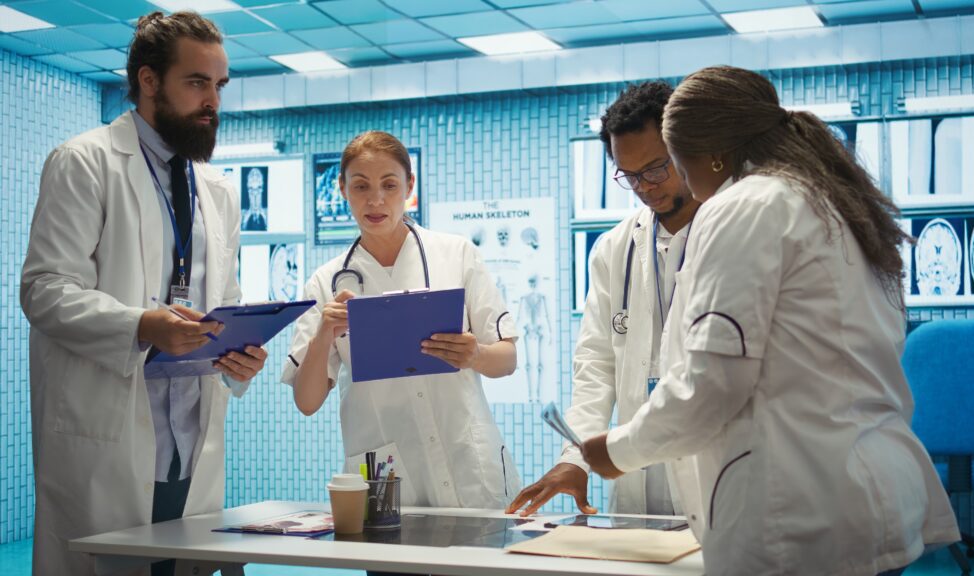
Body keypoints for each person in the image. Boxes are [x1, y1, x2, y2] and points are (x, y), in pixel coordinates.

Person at [581, 66, 960, 575]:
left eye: (672, 164)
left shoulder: (744, 205)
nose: (675, 183)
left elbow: (711, 384)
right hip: (864, 488)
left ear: (710, 152)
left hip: (800, 510)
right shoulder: (830, 199)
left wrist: (618, 450)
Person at [20, 11, 268, 576]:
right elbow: (44, 290)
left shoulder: (217, 190)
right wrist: (141, 325)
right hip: (109, 439)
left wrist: (239, 353)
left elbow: (224, 298)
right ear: (149, 80)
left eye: (219, 85)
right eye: (197, 82)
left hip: (190, 441)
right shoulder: (85, 162)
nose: (213, 101)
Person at [282, 131, 521, 516]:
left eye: (389, 185)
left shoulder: (456, 254)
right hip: (385, 474)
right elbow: (307, 402)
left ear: (410, 186)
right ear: (343, 189)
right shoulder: (326, 282)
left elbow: (507, 359)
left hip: (468, 463)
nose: (375, 200)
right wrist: (324, 335)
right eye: (361, 186)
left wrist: (475, 355)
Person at [507, 81, 699, 517]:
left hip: (710, 466)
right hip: (638, 475)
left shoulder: (728, 233)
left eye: (656, 168)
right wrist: (574, 459)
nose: (644, 187)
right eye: (629, 176)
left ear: (685, 149)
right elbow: (596, 363)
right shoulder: (615, 248)